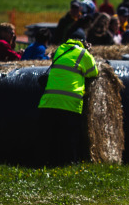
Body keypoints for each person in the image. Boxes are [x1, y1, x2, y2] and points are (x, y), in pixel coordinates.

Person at [38, 28, 99, 165]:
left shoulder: (60, 50)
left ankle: (45, 162)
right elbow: (94, 72)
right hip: (70, 102)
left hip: (49, 100)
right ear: (83, 41)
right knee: (70, 137)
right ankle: (70, 163)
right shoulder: (83, 53)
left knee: (49, 136)